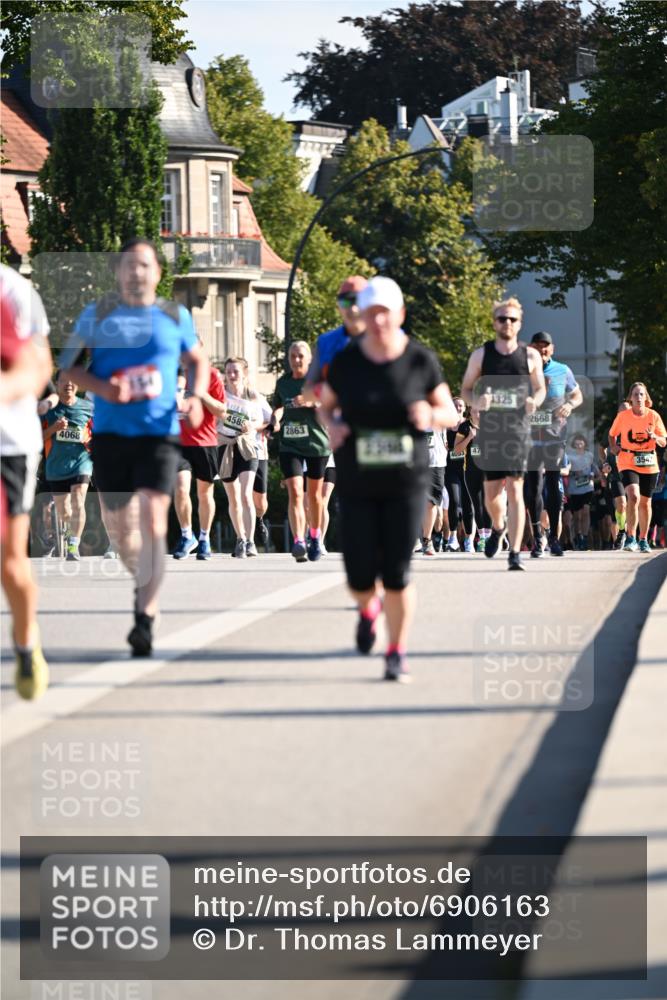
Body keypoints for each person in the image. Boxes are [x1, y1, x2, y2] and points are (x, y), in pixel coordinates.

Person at [61, 238, 207, 656]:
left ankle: (145, 614)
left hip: (158, 434)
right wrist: (104, 387)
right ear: (118, 272)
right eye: (129, 265)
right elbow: (67, 367)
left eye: (144, 265)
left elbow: (198, 361)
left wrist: (195, 398)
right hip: (110, 436)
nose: (136, 272)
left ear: (157, 272)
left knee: (154, 520)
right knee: (122, 532)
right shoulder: (97, 314)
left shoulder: (174, 316)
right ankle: (144, 583)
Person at [320, 276, 458, 682]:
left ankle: (396, 651)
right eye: (371, 312)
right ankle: (367, 608)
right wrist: (333, 426)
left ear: (399, 314)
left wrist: (430, 416)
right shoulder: (346, 363)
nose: (378, 320)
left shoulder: (420, 360)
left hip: (406, 481)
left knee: (397, 572)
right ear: (361, 315)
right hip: (358, 479)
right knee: (360, 575)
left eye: (386, 312)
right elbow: (326, 406)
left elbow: (450, 412)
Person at [461, 297, 546, 570]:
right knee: (492, 495)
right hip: (490, 433)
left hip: (518, 432)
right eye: (502, 319)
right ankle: (498, 528)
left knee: (516, 491)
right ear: (494, 322)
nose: (507, 323)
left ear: (519, 324)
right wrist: (476, 402)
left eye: (512, 319)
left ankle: (515, 554)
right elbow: (465, 389)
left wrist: (535, 401)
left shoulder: (530, 356)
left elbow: (540, 389)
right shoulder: (481, 355)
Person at [0, 264, 53, 698]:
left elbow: (38, 368)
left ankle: (25, 643)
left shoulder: (13, 290)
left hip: (9, 445)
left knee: (10, 562)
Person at [524, 332, 583, 557]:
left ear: (552, 349)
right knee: (533, 487)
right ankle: (538, 538)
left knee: (553, 480)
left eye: (546, 346)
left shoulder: (562, 370)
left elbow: (577, 395)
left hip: (555, 436)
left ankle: (554, 539)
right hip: (530, 438)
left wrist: (569, 404)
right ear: (531, 348)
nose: (542, 350)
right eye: (538, 346)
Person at [272, 341, 331, 562]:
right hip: (289, 444)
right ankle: (299, 540)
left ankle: (315, 536)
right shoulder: (283, 383)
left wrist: (310, 402)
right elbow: (278, 407)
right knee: (295, 492)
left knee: (314, 496)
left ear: (309, 359)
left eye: (300, 356)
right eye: (293, 356)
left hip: (316, 444)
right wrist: (273, 421)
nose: (296, 360)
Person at [173, 348, 226, 561]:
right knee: (180, 488)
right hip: (178, 442)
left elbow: (222, 411)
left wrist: (201, 393)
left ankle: (204, 538)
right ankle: (187, 536)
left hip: (205, 442)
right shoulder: (172, 375)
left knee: (204, 494)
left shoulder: (211, 375)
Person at [41, 370, 94, 561]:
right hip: (56, 466)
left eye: (72, 381)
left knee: (78, 499)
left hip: (82, 462)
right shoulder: (48, 410)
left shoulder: (88, 408)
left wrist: (92, 441)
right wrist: (54, 429)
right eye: (64, 381)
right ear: (57, 384)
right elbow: (37, 439)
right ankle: (65, 530)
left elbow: (100, 433)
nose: (69, 384)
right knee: (64, 511)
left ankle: (73, 545)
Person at [608, 382, 666, 553]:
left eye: (641, 394)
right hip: (627, 459)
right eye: (635, 395)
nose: (639, 398)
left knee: (646, 502)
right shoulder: (623, 416)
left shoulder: (653, 416)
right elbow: (612, 435)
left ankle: (643, 540)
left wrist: (655, 436)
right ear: (630, 398)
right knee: (632, 496)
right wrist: (613, 448)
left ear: (646, 397)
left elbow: (664, 441)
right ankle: (631, 538)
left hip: (649, 461)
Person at [218, 357, 262, 558]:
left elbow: (259, 419)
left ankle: (251, 541)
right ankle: (240, 538)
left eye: (236, 371)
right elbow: (212, 420)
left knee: (246, 495)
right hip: (225, 446)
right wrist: (221, 435)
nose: (232, 375)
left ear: (244, 373)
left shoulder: (252, 394)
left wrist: (250, 426)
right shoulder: (219, 396)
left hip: (247, 446)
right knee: (233, 498)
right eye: (229, 372)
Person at [446, 398, 476, 552]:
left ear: (465, 408)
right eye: (455, 405)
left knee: (467, 503)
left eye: (460, 405)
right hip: (450, 469)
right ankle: (452, 537)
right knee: (454, 500)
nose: (458, 407)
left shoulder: (469, 425)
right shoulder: (445, 424)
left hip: (467, 468)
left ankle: (469, 539)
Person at [566, 434, 597, 550]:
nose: (579, 445)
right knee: (577, 516)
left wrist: (592, 475)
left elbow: (595, 470)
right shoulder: (569, 456)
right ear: (574, 445)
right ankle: (578, 536)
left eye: (581, 443)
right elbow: (566, 471)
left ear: (585, 444)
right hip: (574, 489)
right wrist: (574, 473)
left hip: (588, 488)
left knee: (586, 511)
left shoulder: (589, 455)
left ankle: (584, 536)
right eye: (577, 444)